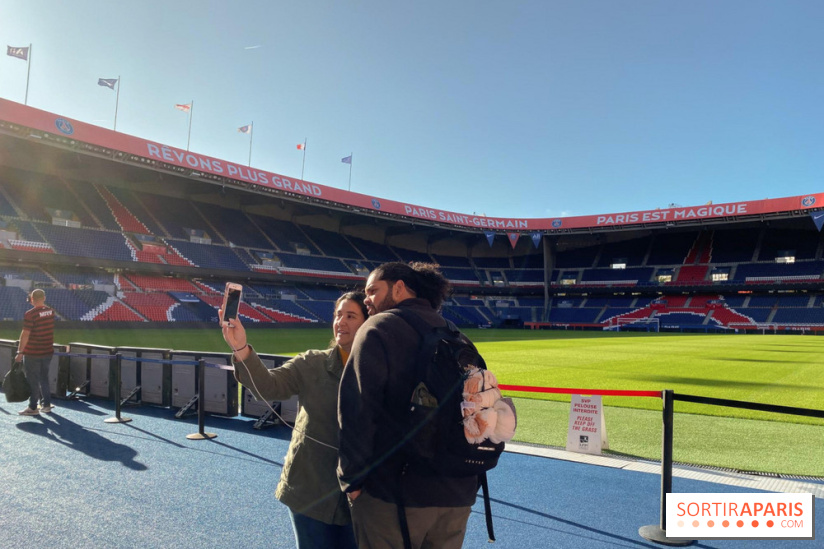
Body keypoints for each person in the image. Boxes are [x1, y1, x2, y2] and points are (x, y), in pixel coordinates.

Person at [337, 262, 479, 549]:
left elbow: (357, 411)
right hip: (457, 494)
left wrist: (351, 481)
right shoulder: (455, 333)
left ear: (399, 288)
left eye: (373, 291)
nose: (367, 299)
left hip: (394, 496)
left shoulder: (378, 327)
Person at [221, 290, 367, 549]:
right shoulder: (312, 362)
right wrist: (241, 348)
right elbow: (268, 385)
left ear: (369, 322)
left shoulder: (380, 370)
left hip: (359, 496)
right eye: (338, 315)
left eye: (351, 316)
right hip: (309, 491)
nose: (341, 322)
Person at [16, 288, 56, 416]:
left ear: (32, 299)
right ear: (44, 298)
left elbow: (25, 334)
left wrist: (20, 352)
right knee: (44, 378)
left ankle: (33, 407)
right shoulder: (51, 311)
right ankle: (46, 405)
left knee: (32, 380)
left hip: (32, 353)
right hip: (47, 351)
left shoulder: (30, 314)